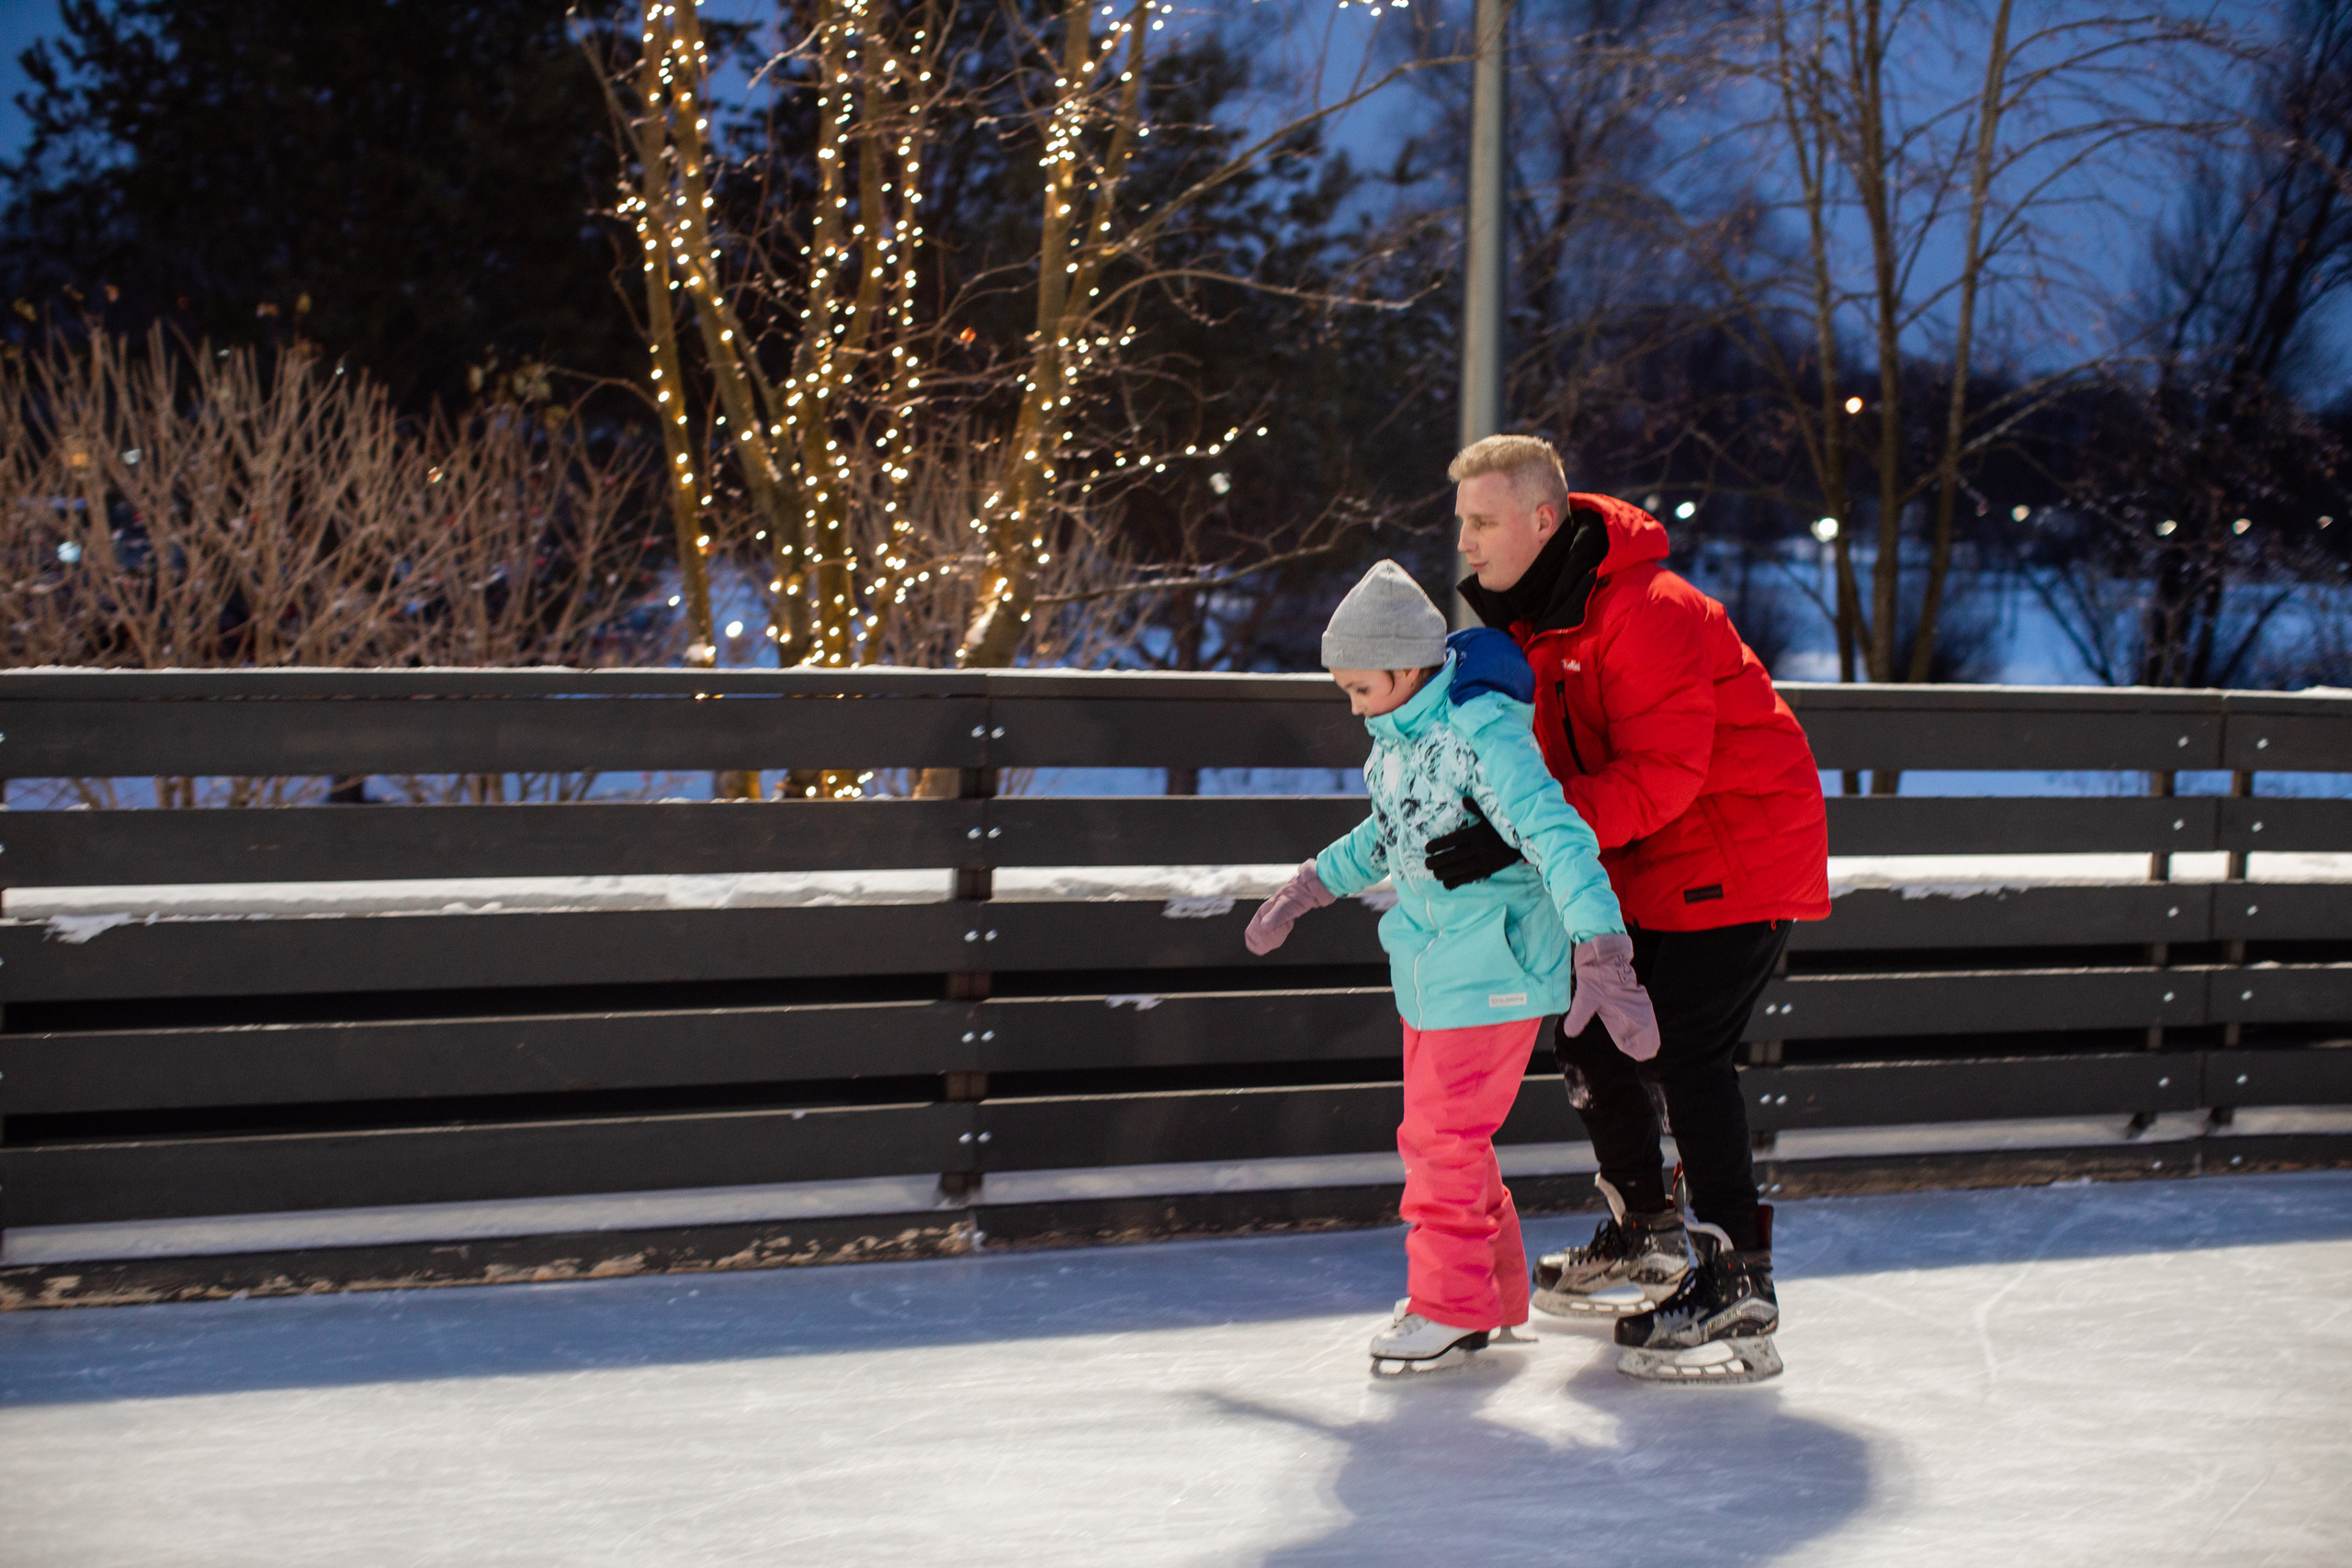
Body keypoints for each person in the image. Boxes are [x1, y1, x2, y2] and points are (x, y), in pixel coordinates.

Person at [1425, 434, 1829, 1385]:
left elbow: (1666, 774)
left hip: (1735, 851)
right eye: (1462, 526)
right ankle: (1645, 1229)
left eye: (1482, 524)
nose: (1468, 546)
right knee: (1592, 1032)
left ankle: (1738, 1278)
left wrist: (1524, 834)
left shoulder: (1648, 611)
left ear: (1540, 519)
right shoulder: (1535, 624)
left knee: (1684, 1050)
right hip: (1643, 860)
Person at [1244, 558, 1662, 1379]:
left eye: (1361, 689)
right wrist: (1310, 885)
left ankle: (1450, 1305)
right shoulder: (1399, 743)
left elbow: (1558, 833)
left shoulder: (1482, 733)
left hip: (1495, 962)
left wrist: (1603, 949)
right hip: (1436, 965)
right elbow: (1385, 836)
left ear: (1406, 671)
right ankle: (1492, 1290)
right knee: (1453, 1139)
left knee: (1438, 1138)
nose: (1355, 707)